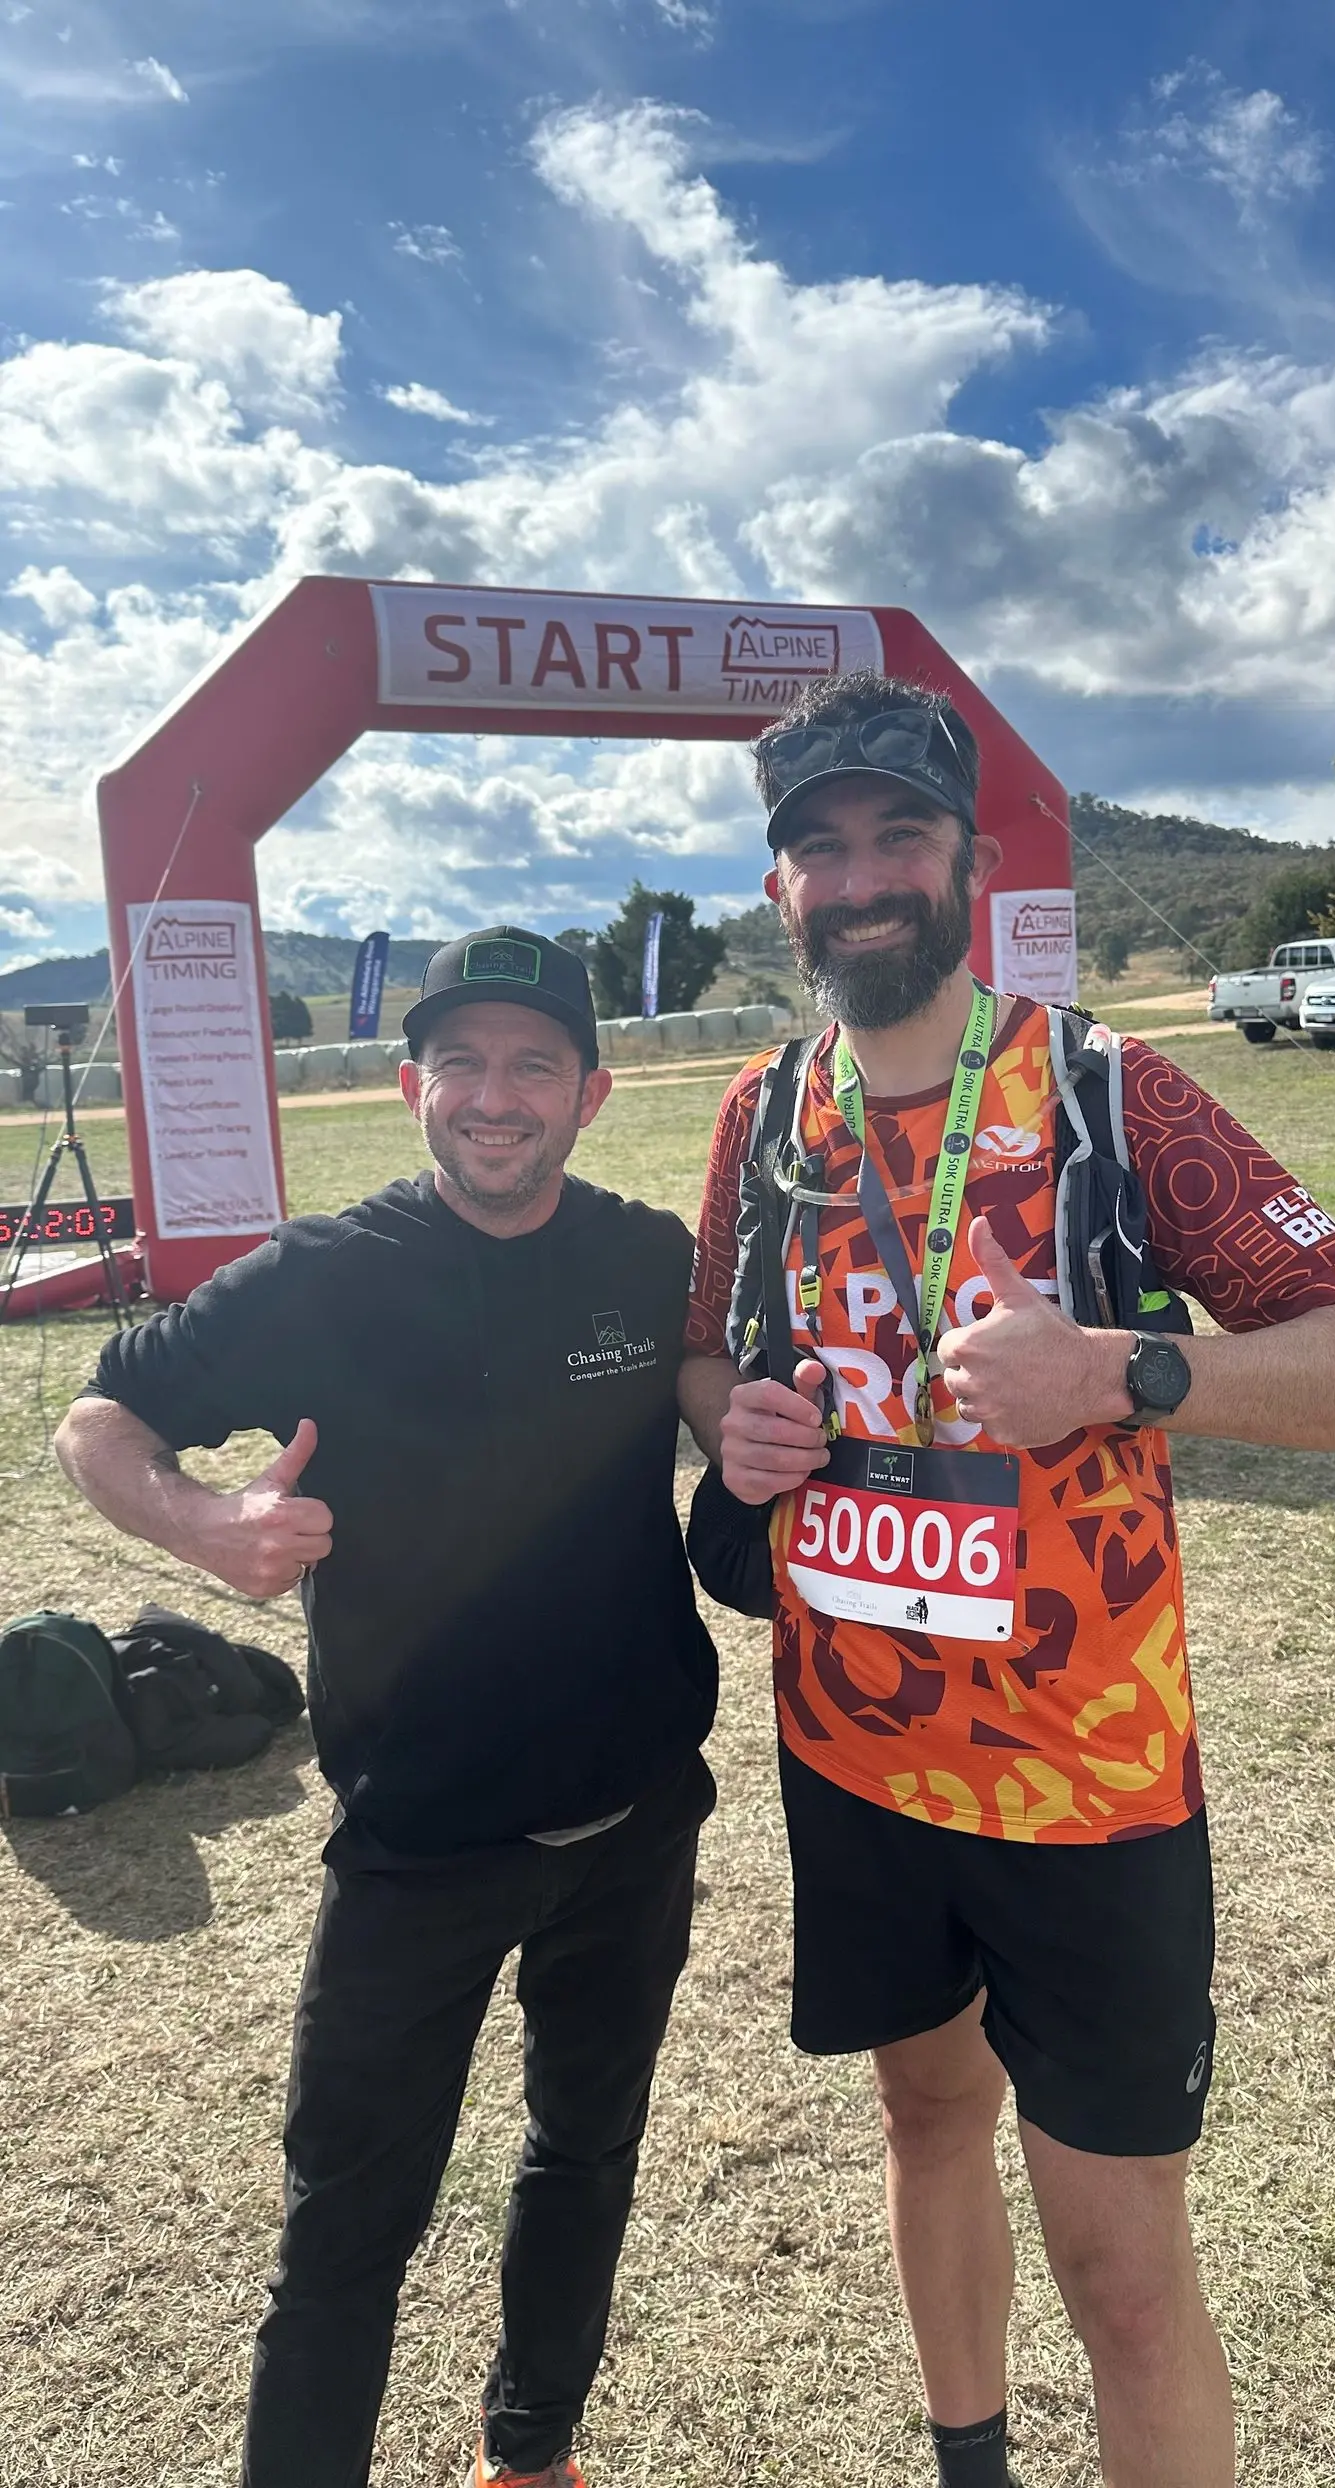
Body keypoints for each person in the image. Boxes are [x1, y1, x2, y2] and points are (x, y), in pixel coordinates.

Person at [678, 673, 1335, 2488]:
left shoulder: (1104, 1090)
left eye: (897, 836)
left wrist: (1132, 1370)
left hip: (1087, 1791)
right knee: (925, 2117)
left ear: (966, 863)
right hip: (851, 1760)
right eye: (818, 848)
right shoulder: (767, 1116)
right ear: (779, 891)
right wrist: (735, 1429)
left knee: (1128, 2273)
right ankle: (971, 2460)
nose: (859, 878)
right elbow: (709, 1355)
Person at [56, 926, 719, 2488]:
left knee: (585, 2154)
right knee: (344, 2230)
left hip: (636, 1822)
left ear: (591, 1093)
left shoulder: (644, 1256)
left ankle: (531, 2455)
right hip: (419, 1843)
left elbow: (712, 1381)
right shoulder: (319, 1277)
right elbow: (101, 1417)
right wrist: (202, 1527)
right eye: (466, 1063)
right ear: (415, 1081)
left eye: (534, 1066)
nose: (497, 1098)